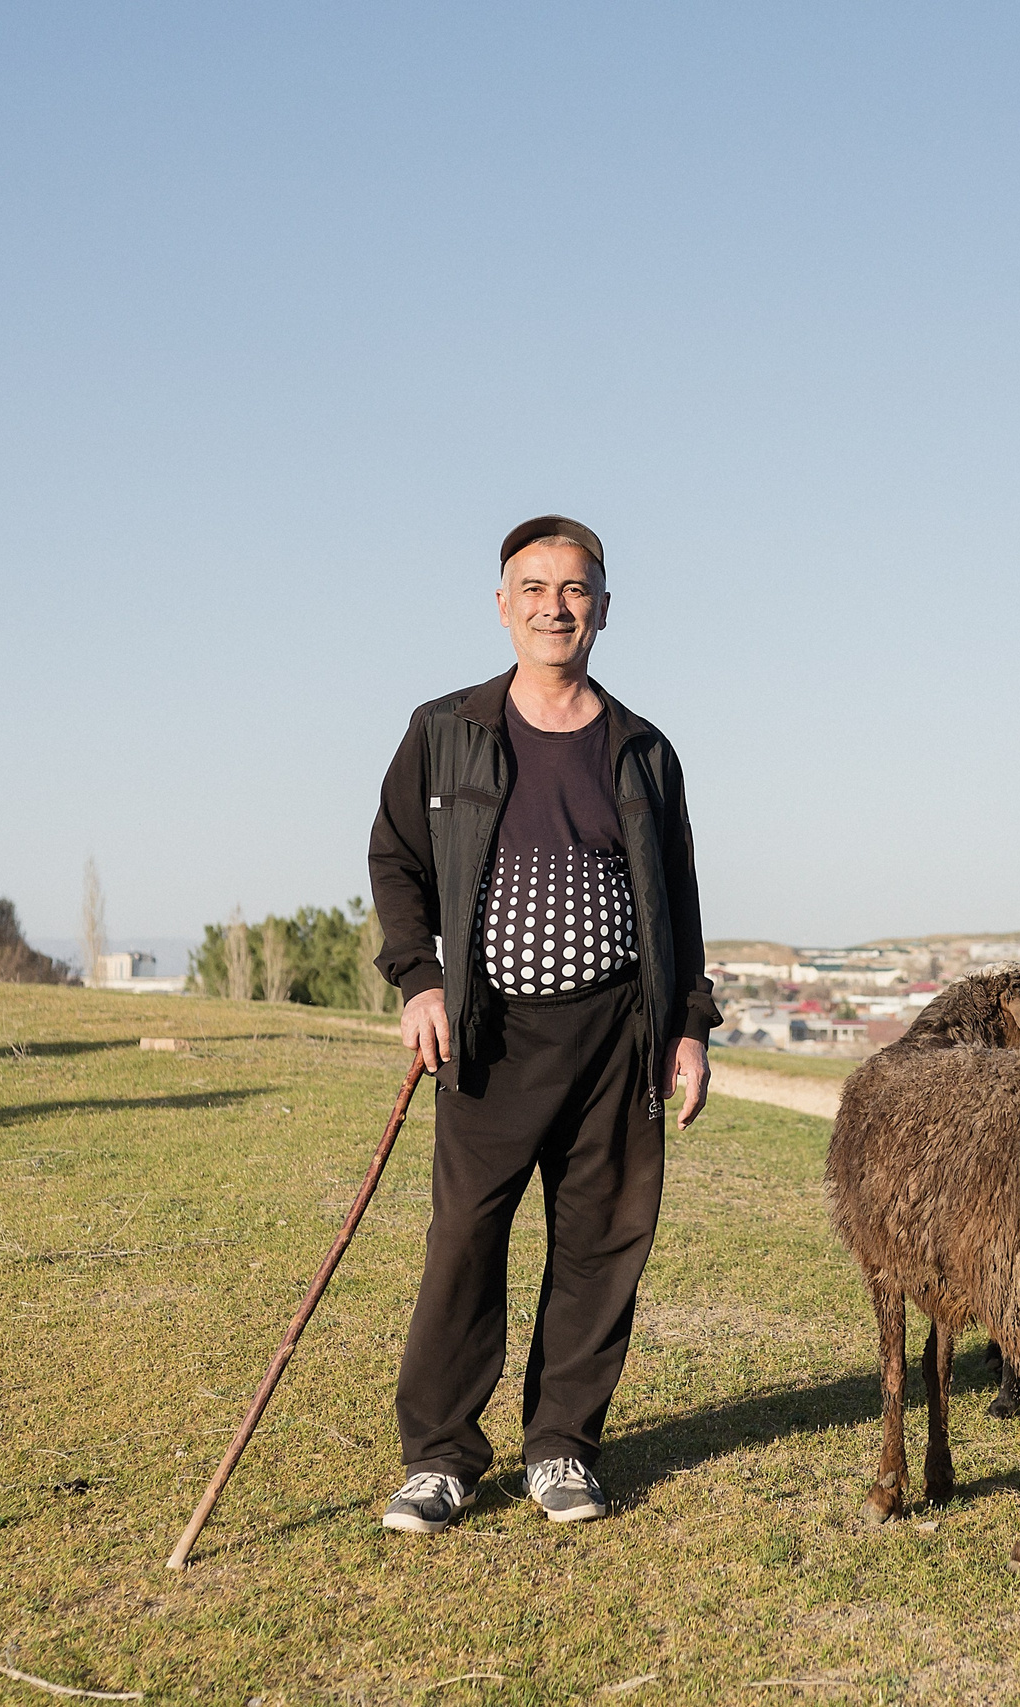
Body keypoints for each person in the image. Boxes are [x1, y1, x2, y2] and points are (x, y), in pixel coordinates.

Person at [366, 514, 718, 1531]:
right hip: (489, 1037)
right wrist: (418, 979)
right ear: (502, 604)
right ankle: (441, 1458)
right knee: (465, 1242)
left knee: (603, 1244)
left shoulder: (643, 749)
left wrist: (686, 1026)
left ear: (602, 608)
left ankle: (561, 1446)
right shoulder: (447, 730)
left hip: (617, 1038)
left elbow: (678, 902)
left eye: (573, 589)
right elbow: (396, 860)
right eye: (533, 587)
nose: (553, 606)